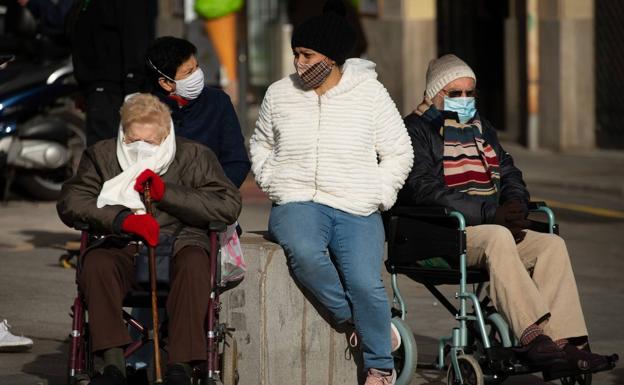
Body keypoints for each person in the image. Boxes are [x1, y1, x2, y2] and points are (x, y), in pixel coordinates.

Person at [397, 54, 616, 379]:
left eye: (470, 92)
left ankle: (566, 344)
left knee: (550, 245)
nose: (464, 99)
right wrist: (490, 213)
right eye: (455, 93)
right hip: (444, 232)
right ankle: (535, 340)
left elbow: (510, 172)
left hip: (489, 228)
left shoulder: (482, 128)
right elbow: (424, 190)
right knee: (498, 236)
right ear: (435, 94)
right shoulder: (414, 131)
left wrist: (513, 206)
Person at [249, 1, 413, 384]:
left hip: (356, 204)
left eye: (307, 55)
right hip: (298, 200)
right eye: (295, 55)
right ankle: (357, 321)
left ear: (333, 58)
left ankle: (380, 368)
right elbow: (260, 145)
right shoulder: (279, 94)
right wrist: (274, 181)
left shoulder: (370, 94)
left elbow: (399, 151)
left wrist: (379, 192)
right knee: (304, 254)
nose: (298, 63)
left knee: (366, 282)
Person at [57, 94, 242, 385]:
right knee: (96, 263)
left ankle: (179, 365)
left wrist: (166, 194)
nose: (141, 148)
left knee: (196, 265)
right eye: (133, 140)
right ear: (122, 133)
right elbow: (72, 201)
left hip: (179, 244)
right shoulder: (102, 155)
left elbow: (227, 205)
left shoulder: (195, 155)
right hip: (122, 243)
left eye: (151, 142)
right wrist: (122, 220)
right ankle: (113, 363)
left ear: (167, 135)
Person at [145, 36, 250, 188]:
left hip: (211, 200)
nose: (197, 75)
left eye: (197, 67)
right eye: (188, 72)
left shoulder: (218, 101)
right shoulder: (144, 110)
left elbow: (236, 160)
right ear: (166, 83)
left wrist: (217, 194)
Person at [70, 0, 151, 146]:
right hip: (97, 91)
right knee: (103, 155)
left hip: (115, 91)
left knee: (109, 156)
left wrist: (133, 89)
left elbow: (135, 37)